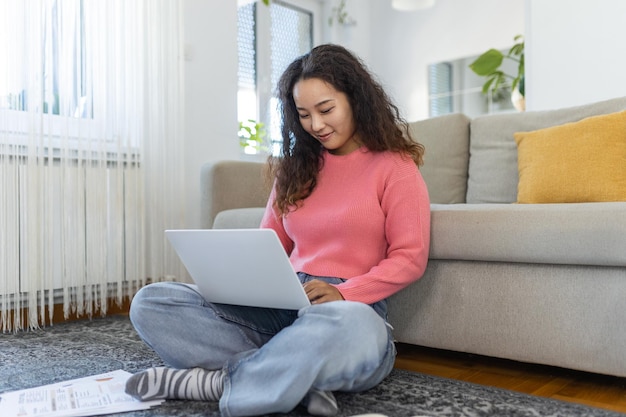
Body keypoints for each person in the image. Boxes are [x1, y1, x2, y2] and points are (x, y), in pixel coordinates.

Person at [124, 43, 431, 416]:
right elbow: (267, 245)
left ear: (356, 99)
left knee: (350, 329)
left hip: (347, 310)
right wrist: (241, 285)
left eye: (326, 109)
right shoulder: (294, 170)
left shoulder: (394, 166)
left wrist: (345, 293)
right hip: (281, 305)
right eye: (304, 114)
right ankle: (290, 375)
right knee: (153, 302)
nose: (316, 125)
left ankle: (218, 382)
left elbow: (410, 257)